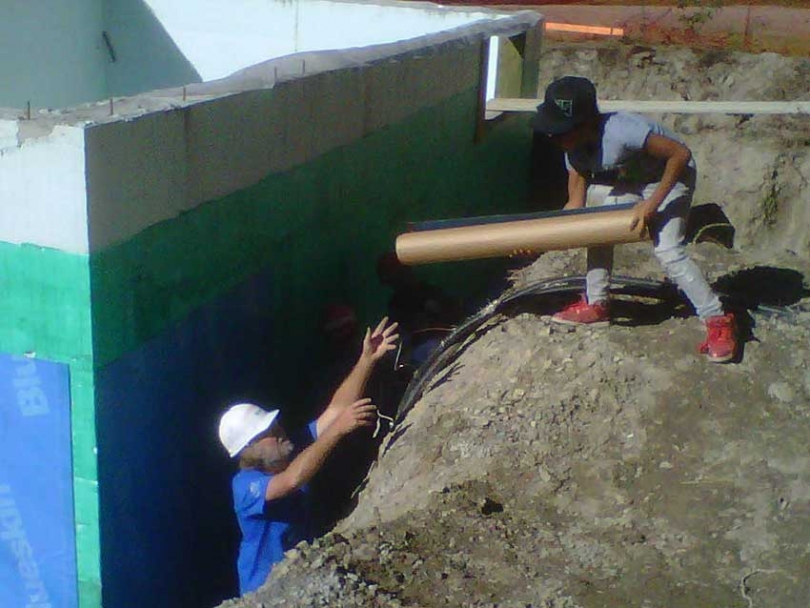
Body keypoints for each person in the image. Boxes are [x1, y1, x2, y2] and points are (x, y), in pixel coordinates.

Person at [531, 76, 737, 363]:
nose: (554, 138)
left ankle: (718, 319)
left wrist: (652, 205)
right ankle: (597, 304)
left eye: (560, 131)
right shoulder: (574, 152)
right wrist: (536, 241)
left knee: (668, 250)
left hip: (671, 175)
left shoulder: (622, 131)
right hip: (633, 181)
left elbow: (680, 154)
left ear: (586, 123)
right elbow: (575, 206)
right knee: (598, 229)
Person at [217, 317, 399, 595]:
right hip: (264, 593)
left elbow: (335, 411)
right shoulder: (245, 486)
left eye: (275, 425)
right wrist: (337, 431)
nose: (279, 431)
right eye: (267, 431)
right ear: (248, 449)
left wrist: (366, 360)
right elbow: (291, 480)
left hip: (299, 578)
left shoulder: (294, 447)